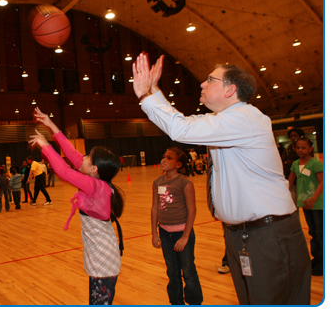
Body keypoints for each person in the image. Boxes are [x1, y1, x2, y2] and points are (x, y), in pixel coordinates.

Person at [132, 52, 310, 305]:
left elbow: (181, 129)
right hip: (243, 234)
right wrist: (154, 89)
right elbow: (183, 122)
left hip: (267, 234)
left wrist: (144, 95)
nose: (202, 84)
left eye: (210, 80)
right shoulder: (225, 121)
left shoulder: (246, 119)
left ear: (230, 90)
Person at [29, 107, 124, 305]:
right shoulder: (97, 181)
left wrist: (45, 146)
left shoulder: (94, 186)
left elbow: (63, 170)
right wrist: (51, 124)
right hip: (100, 255)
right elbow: (72, 154)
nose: (83, 157)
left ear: (94, 169)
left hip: (103, 260)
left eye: (88, 157)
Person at [151, 147, 203, 305]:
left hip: (182, 233)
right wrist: (154, 233)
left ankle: (194, 303)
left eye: (169, 158)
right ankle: (176, 303)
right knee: (172, 272)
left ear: (179, 164)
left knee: (188, 271)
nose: (163, 160)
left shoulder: (185, 182)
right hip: (165, 234)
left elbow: (192, 210)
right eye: (163, 157)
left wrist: (185, 236)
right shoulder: (157, 182)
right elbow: (155, 208)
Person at [288, 137, 323, 276]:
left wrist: (313, 199)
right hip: (305, 205)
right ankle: (317, 258)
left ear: (310, 148)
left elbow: (323, 182)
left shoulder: (315, 163)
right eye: (298, 147)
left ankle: (324, 262)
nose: (300, 150)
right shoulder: (295, 164)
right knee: (313, 232)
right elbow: (290, 182)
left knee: (321, 233)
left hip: (318, 204)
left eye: (303, 147)